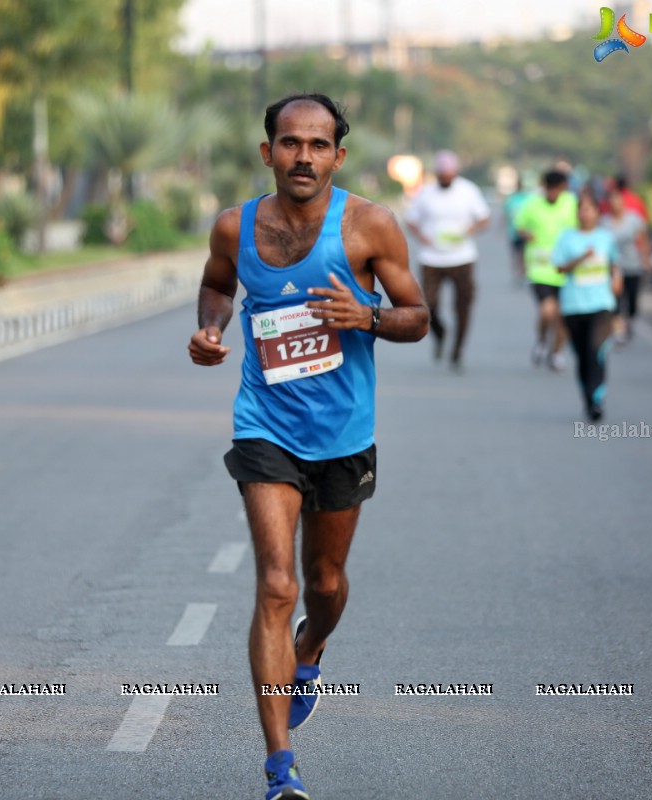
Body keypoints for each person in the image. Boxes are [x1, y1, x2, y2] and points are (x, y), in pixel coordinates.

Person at [188, 93, 429, 799]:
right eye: (290, 143)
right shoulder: (235, 227)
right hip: (265, 425)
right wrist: (211, 329)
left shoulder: (369, 226)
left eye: (318, 145)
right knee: (276, 584)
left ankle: (312, 648)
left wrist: (370, 316)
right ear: (267, 153)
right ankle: (279, 767)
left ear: (338, 156)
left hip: (344, 436)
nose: (303, 156)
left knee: (322, 586)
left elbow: (417, 317)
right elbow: (214, 285)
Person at [404, 150, 490, 371]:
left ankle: (457, 351)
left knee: (463, 306)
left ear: (456, 172)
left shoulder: (468, 191)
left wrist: (469, 230)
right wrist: (422, 236)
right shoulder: (426, 193)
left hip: (462, 257)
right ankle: (440, 333)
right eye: (442, 174)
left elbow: (484, 218)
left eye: (449, 174)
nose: (445, 178)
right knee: (428, 306)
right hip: (432, 258)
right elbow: (411, 220)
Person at [553, 192, 622, 420]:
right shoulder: (567, 238)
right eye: (581, 209)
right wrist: (581, 258)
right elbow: (559, 269)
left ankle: (598, 397)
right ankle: (588, 398)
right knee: (583, 355)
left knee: (595, 350)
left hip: (601, 303)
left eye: (590, 209)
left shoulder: (605, 237)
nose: (585, 213)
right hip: (573, 305)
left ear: (597, 213)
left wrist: (616, 278)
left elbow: (613, 263)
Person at [515, 170, 577, 371]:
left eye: (557, 189)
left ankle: (557, 352)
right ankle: (542, 340)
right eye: (549, 189)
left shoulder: (571, 204)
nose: (553, 193)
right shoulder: (532, 204)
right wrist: (527, 234)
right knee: (548, 311)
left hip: (567, 270)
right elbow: (519, 225)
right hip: (540, 269)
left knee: (563, 317)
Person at [602, 188, 650, 343]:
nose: (615, 205)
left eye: (618, 202)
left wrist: (645, 258)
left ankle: (630, 322)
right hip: (614, 267)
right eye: (612, 202)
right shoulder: (605, 222)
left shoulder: (634, 220)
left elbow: (643, 240)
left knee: (632, 300)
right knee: (615, 300)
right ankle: (619, 330)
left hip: (632, 265)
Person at [504, 176, 533, 285]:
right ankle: (518, 273)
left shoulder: (528, 199)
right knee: (516, 254)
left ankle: (524, 272)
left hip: (525, 232)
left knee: (525, 254)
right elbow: (506, 214)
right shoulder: (511, 199)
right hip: (514, 232)